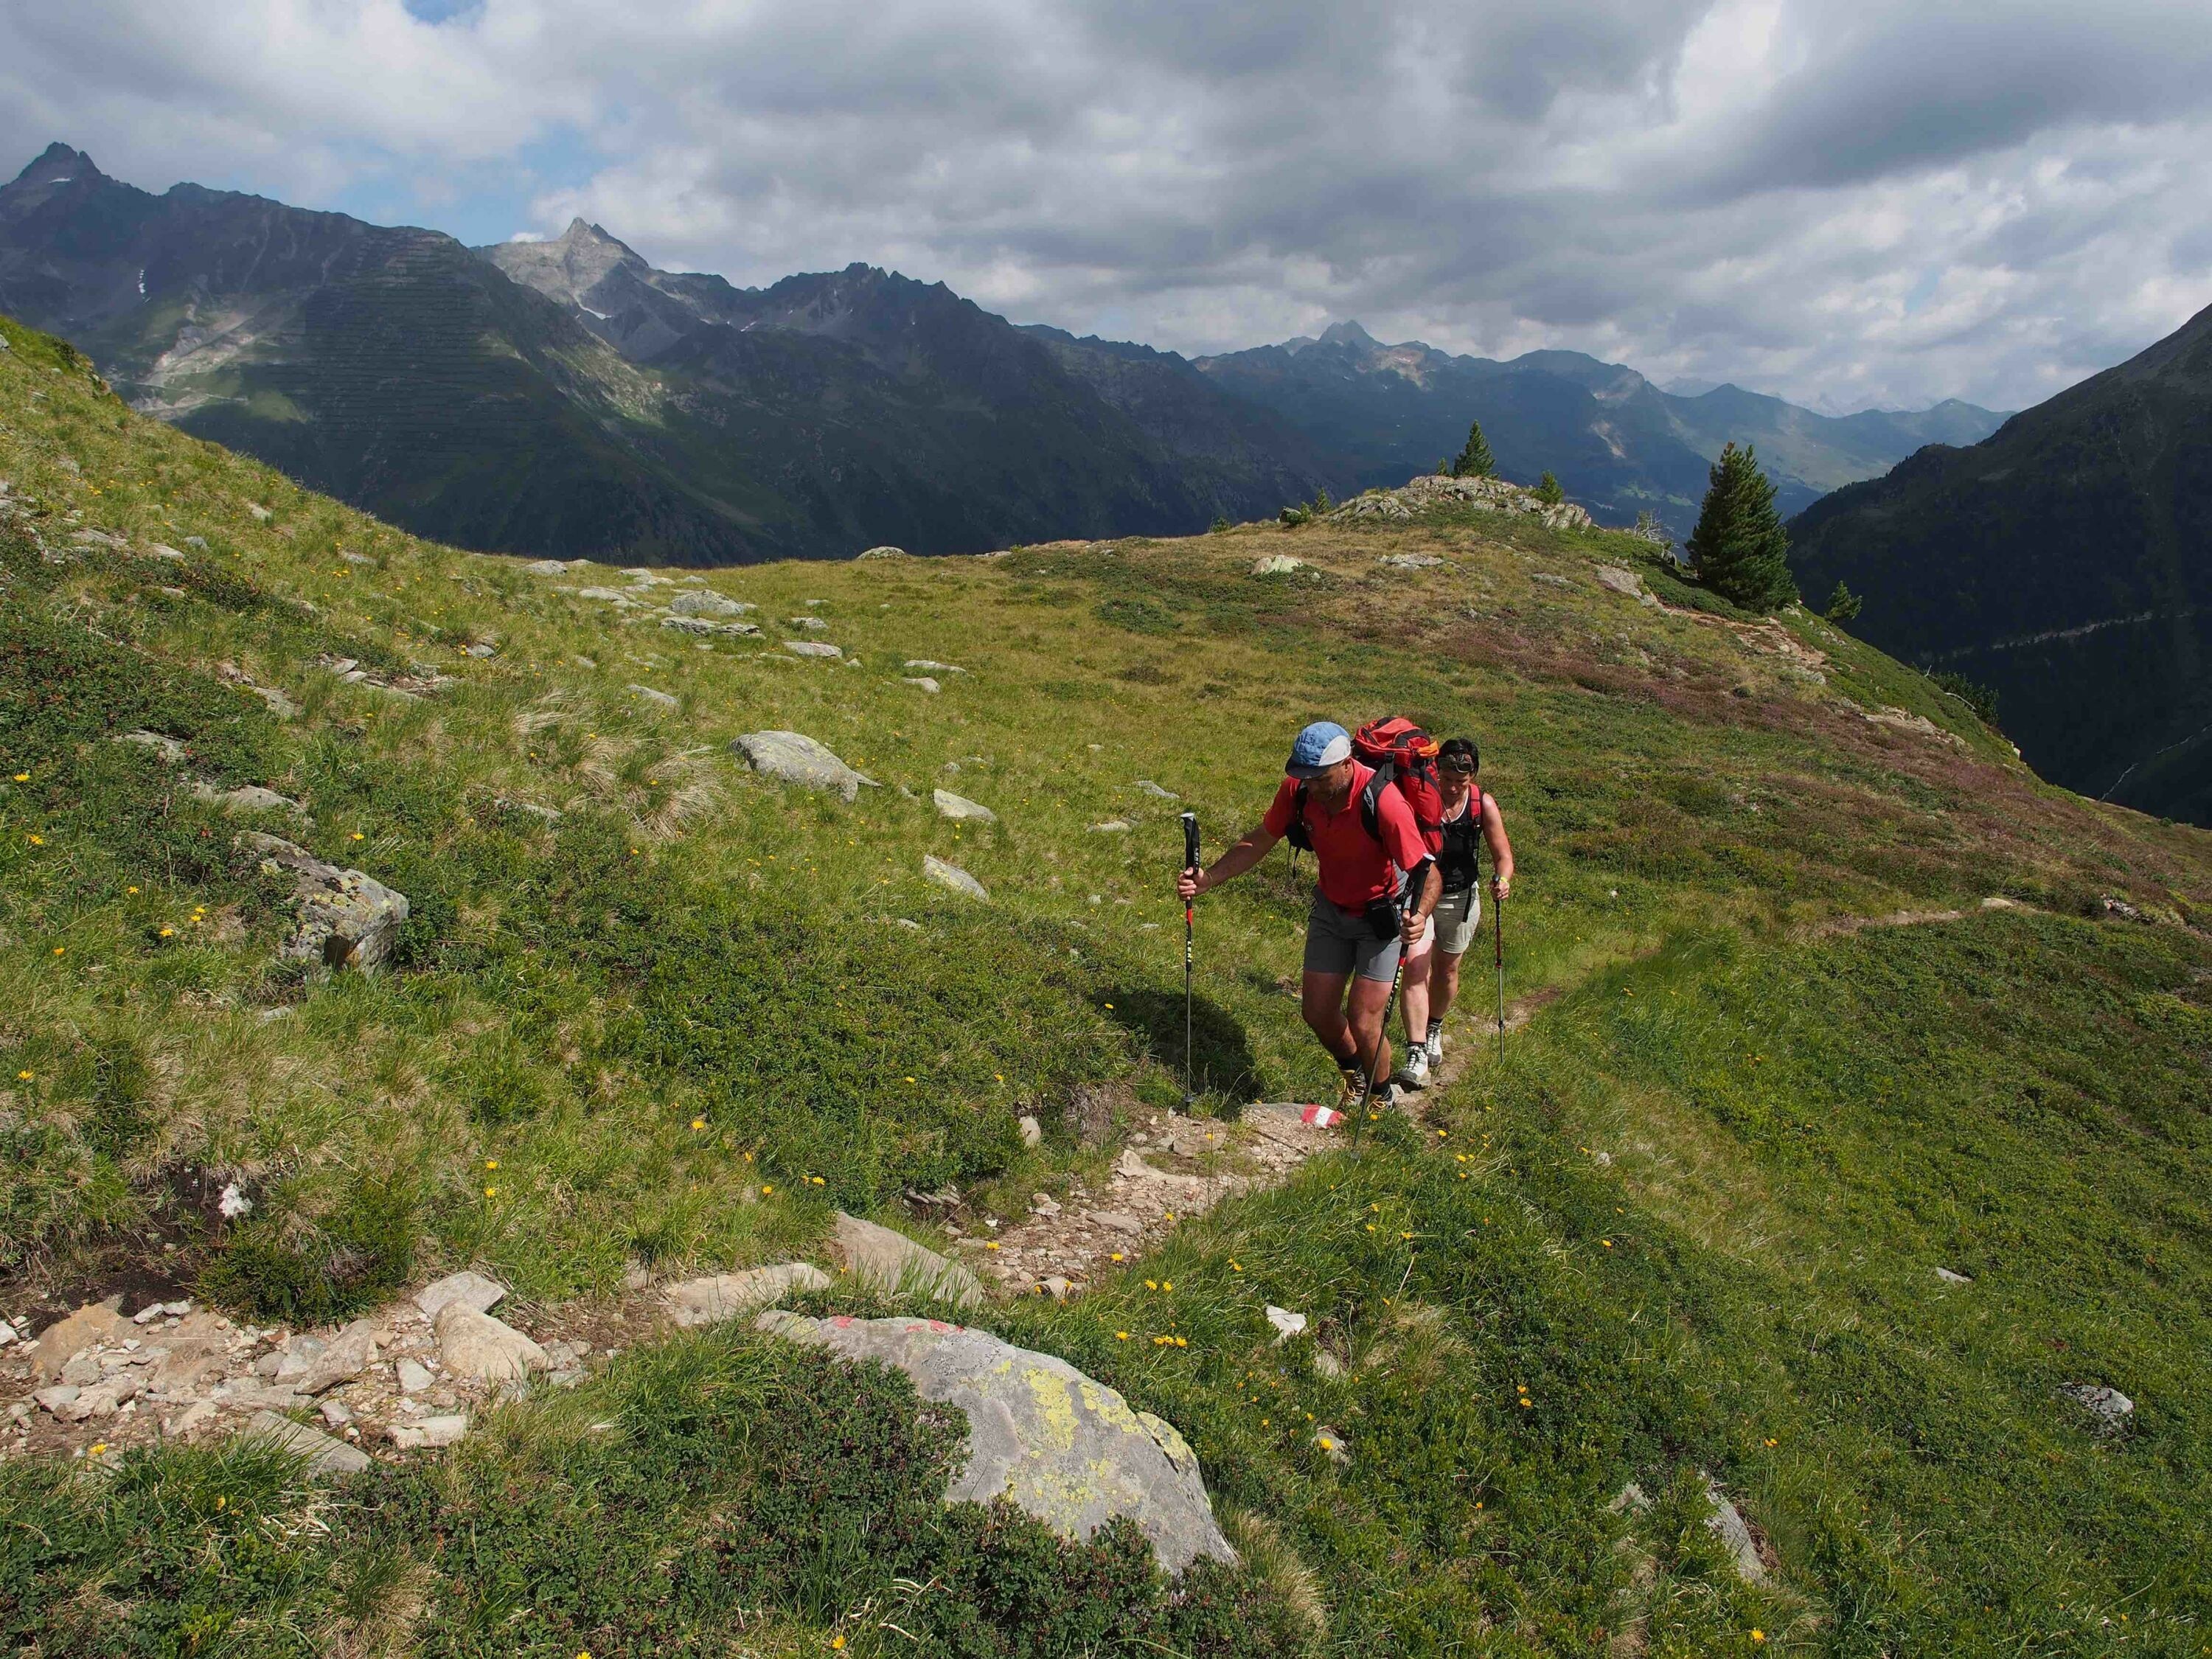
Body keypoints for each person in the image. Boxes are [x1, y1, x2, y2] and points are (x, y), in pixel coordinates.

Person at [1177, 721, 1441, 1107]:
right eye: (1305, 777)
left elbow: (1428, 871)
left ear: (1347, 765)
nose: (1312, 786)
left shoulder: (1384, 801)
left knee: (1365, 1020)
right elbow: (1260, 839)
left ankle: (1381, 1099)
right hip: (1332, 909)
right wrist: (1210, 878)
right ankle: (1356, 1076)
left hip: (1381, 917)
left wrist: (1419, 914)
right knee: (1317, 1011)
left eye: (1320, 778)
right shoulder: (1298, 790)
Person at [1394, 737, 1514, 1087]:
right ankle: (1416, 1051)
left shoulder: (1481, 804)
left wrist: (1502, 879)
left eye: (1459, 781)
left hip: (1460, 898)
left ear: (1472, 776)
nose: (1450, 787)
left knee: (1446, 971)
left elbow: (1502, 854)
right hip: (1419, 895)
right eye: (1445, 778)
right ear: (1437, 770)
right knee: (1416, 966)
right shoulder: (1419, 797)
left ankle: (1435, 1025)